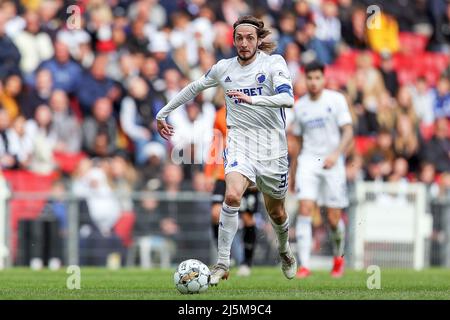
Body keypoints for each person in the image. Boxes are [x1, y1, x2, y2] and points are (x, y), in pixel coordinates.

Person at [156, 15, 297, 285]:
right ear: (233, 40)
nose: (244, 43)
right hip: (239, 143)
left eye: (249, 38)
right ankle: (222, 263)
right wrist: (164, 112)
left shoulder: (273, 63)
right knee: (231, 195)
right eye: (239, 38)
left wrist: (252, 100)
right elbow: (194, 88)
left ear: (258, 41)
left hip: (272, 147)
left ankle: (285, 251)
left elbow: (287, 99)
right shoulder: (224, 68)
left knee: (277, 212)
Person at [289, 61, 354, 278]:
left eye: (317, 78)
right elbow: (297, 142)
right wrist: (293, 171)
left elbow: (348, 132)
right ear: (305, 80)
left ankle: (338, 257)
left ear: (323, 78)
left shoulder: (335, 100)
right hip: (308, 161)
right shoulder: (300, 106)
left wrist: (336, 154)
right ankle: (304, 265)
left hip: (333, 162)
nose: (314, 82)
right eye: (310, 78)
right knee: (306, 208)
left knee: (334, 219)